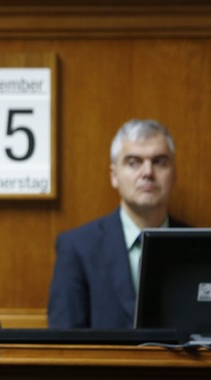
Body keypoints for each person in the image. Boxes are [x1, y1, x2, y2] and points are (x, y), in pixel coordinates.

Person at [47, 119, 189, 329]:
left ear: (174, 175)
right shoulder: (77, 248)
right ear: (114, 176)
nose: (148, 172)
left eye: (159, 161)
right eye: (133, 162)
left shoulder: (201, 245)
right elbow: (64, 344)